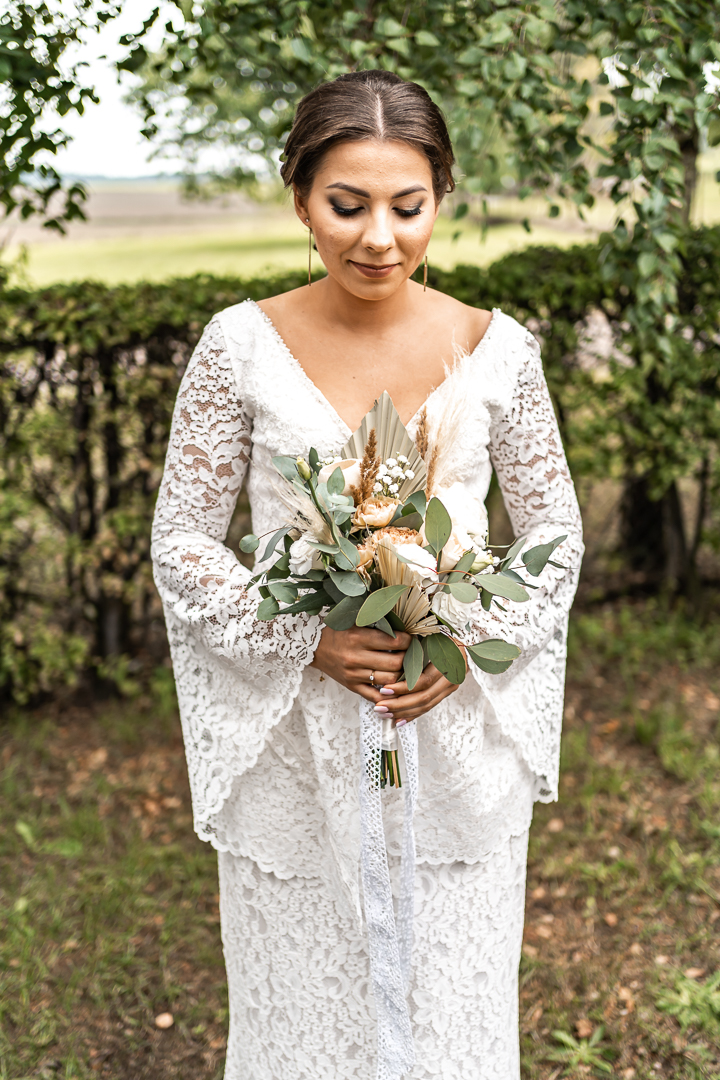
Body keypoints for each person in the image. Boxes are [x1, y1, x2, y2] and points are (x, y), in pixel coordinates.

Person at [151, 69, 583, 1080]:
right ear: (301, 200)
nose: (379, 237)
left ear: (442, 197)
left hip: (452, 741)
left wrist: (462, 641)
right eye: (347, 205)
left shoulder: (498, 351)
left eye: (407, 205)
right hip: (299, 750)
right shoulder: (238, 347)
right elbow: (183, 538)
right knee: (306, 1005)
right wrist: (306, 636)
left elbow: (554, 531)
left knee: (450, 1005)